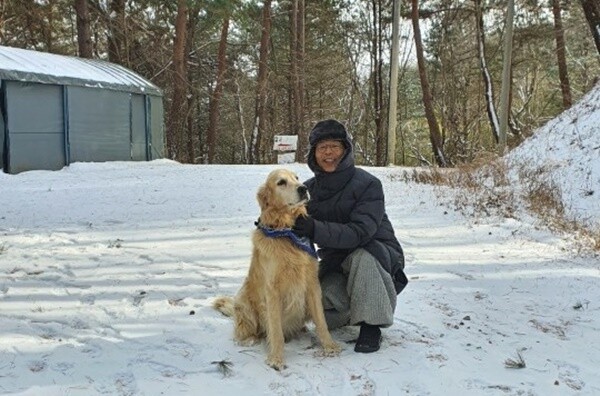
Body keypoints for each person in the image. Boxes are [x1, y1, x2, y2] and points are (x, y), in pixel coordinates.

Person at [292, 119, 408, 353]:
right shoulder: (308, 190)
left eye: (334, 146)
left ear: (345, 150)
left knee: (362, 257)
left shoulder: (368, 184)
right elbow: (287, 217)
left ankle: (371, 324)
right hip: (336, 263)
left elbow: (360, 232)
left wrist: (315, 229)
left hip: (377, 256)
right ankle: (352, 309)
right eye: (321, 147)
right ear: (313, 154)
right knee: (313, 306)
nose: (328, 153)